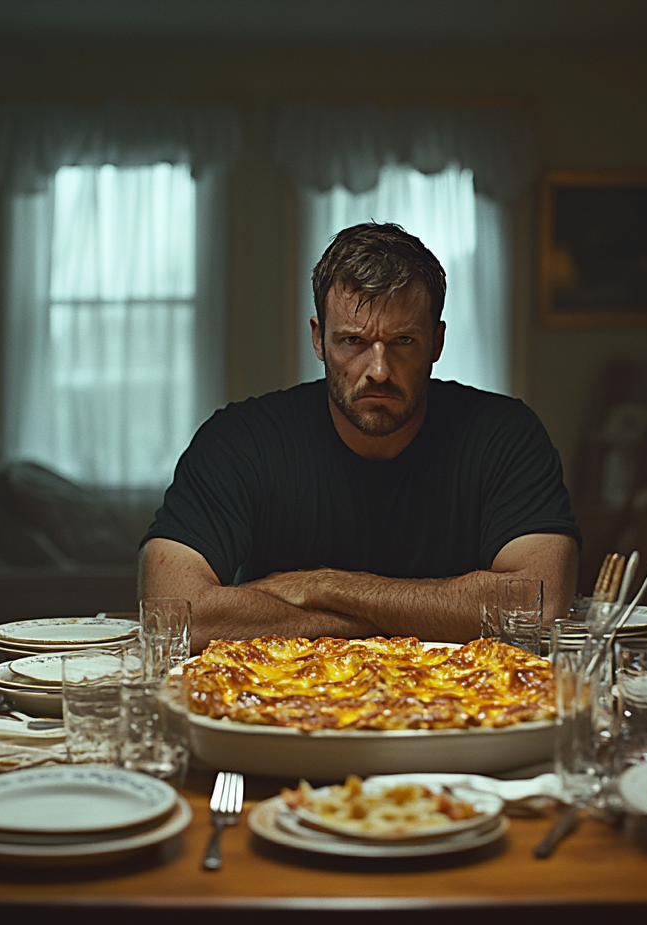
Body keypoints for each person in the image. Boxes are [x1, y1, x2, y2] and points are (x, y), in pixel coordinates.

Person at [140, 222, 580, 651]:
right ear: (318, 339)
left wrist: (318, 585)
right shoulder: (240, 440)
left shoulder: (504, 435)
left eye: (404, 340)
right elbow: (172, 612)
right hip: (282, 699)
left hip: (464, 704)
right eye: (352, 341)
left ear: (437, 342)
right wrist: (391, 619)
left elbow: (540, 606)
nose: (379, 370)